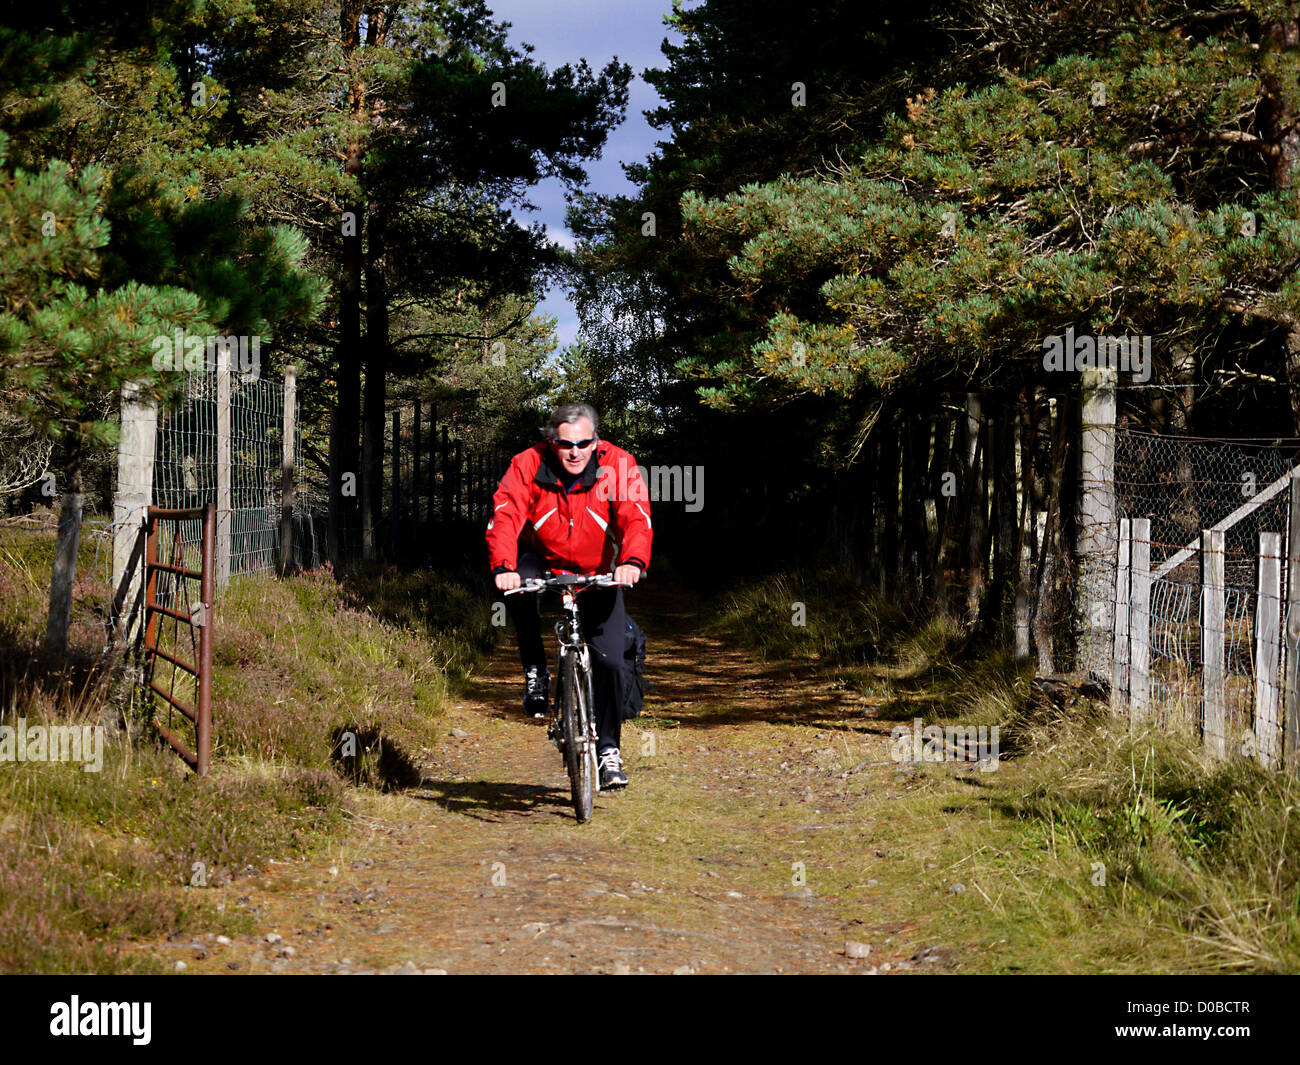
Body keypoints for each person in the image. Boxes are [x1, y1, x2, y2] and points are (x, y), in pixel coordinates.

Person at [486, 403, 652, 789]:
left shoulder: (617, 464)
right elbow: (505, 514)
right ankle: (535, 673)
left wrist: (631, 561)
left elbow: (636, 515)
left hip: (598, 571)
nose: (575, 452)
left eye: (583, 443)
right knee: (520, 589)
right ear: (551, 442)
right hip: (542, 560)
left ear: (595, 441)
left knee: (611, 663)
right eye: (565, 444)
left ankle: (609, 750)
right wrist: (503, 567)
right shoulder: (527, 464)